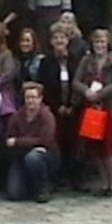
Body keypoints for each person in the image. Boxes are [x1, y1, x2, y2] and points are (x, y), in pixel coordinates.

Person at [73, 29, 112, 197]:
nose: (99, 45)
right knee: (96, 149)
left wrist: (100, 93)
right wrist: (86, 91)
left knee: (111, 149)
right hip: (92, 110)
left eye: (102, 42)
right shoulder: (87, 60)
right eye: (96, 42)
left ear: (108, 44)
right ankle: (104, 183)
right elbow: (76, 81)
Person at [38, 22, 84, 191]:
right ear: (51, 41)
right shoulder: (46, 62)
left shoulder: (76, 61)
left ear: (68, 40)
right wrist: (57, 106)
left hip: (74, 109)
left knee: (75, 143)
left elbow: (80, 83)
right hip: (54, 109)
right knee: (57, 143)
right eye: (55, 38)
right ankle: (57, 178)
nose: (59, 40)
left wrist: (72, 105)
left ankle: (77, 179)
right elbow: (44, 87)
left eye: (62, 37)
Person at [4, 82, 59, 203]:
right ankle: (29, 185)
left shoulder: (47, 116)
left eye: (33, 97)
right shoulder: (17, 116)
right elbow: (8, 140)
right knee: (14, 194)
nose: (30, 100)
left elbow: (45, 141)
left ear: (40, 98)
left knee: (33, 157)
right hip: (20, 156)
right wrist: (32, 143)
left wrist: (18, 141)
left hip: (46, 156)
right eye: (27, 97)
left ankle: (43, 189)